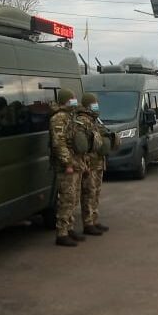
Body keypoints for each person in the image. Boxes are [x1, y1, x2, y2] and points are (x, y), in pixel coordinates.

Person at [49, 89, 86, 247]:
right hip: (67, 167)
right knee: (66, 199)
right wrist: (68, 163)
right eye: (71, 99)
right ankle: (62, 233)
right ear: (65, 101)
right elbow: (59, 143)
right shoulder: (58, 118)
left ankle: (69, 228)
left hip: (76, 163)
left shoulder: (70, 116)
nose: (74, 101)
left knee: (73, 198)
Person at [77, 93, 114, 236]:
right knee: (88, 193)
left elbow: (103, 135)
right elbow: (81, 145)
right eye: (94, 103)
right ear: (88, 105)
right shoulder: (82, 121)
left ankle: (94, 220)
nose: (97, 106)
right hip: (89, 163)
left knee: (96, 193)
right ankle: (88, 223)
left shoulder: (94, 121)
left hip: (98, 162)